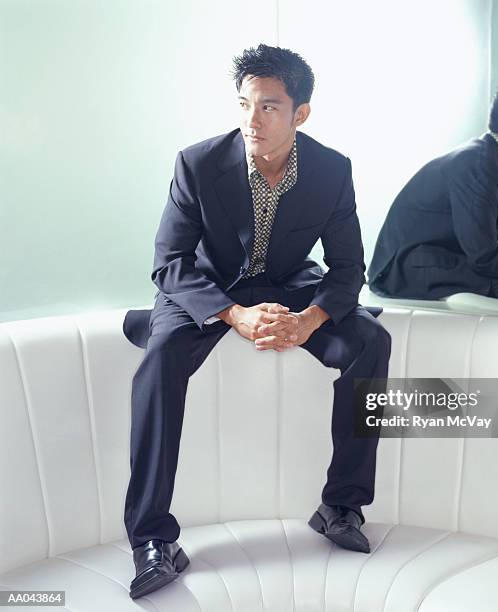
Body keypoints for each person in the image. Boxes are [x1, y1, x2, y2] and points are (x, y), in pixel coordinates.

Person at [121, 44, 391, 599]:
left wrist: (311, 319)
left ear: (301, 114)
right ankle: (152, 537)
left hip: (292, 283)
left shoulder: (331, 170)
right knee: (162, 357)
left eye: (269, 106)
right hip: (209, 287)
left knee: (371, 341)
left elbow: (347, 268)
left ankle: (341, 507)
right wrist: (235, 314)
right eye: (244, 104)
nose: (252, 119)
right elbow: (168, 263)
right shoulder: (197, 163)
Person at [368, 84, 498, 306]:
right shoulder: (480, 163)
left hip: (420, 261)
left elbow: (478, 247)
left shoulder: (481, 155)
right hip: (404, 270)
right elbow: (482, 253)